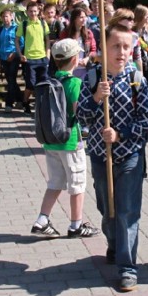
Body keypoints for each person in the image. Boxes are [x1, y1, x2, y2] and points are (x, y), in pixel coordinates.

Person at [78, 23, 148, 292]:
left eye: (126, 46)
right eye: (115, 46)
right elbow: (81, 117)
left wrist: (120, 135)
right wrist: (97, 97)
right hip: (100, 156)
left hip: (130, 156)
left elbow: (147, 122)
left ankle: (127, 267)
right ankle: (114, 242)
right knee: (107, 208)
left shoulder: (138, 81)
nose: (121, 52)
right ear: (104, 48)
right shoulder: (91, 78)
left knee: (126, 212)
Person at [30, 39, 101, 239]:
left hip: (50, 141)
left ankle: (42, 219)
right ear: (74, 59)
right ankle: (76, 225)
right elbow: (80, 111)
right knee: (77, 185)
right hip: (70, 141)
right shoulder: (75, 83)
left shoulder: (50, 82)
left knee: (55, 182)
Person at [16, 2, 50, 114]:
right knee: (30, 84)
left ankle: (40, 106)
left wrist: (47, 54)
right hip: (29, 59)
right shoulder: (24, 24)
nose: (33, 13)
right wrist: (21, 54)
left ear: (38, 11)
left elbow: (47, 40)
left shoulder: (43, 23)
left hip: (42, 58)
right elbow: (16, 40)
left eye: (35, 11)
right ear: (27, 12)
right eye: (30, 11)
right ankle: (25, 102)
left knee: (43, 83)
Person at [59, 6, 97, 79]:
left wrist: (87, 58)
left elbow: (93, 50)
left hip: (84, 69)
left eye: (85, 17)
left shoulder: (88, 33)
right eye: (81, 17)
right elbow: (61, 51)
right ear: (74, 19)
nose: (84, 19)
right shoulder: (65, 33)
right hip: (69, 69)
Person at [0, 9, 21, 113]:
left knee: (11, 78)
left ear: (11, 17)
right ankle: (21, 100)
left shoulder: (16, 28)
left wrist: (15, 53)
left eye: (7, 16)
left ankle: (9, 104)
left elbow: (22, 43)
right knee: (10, 80)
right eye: (3, 17)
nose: (5, 19)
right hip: (3, 57)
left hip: (13, 57)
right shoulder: (0, 30)